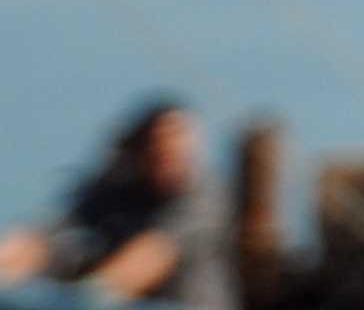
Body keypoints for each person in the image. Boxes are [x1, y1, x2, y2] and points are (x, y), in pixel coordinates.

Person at [0, 99, 233, 306]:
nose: (171, 157)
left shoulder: (206, 196)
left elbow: (153, 254)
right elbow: (50, 231)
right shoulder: (120, 186)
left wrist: (94, 294)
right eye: (159, 147)